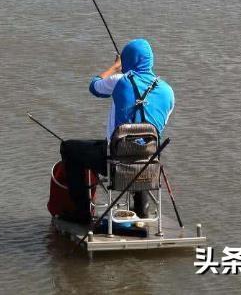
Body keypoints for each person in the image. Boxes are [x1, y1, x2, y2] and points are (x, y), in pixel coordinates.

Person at [58, 38, 175, 224]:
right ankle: (141, 210)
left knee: (68, 148)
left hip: (114, 164)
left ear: (128, 59)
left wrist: (115, 66)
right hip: (148, 166)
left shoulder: (119, 80)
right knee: (141, 146)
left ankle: (82, 213)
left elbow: (94, 86)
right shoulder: (168, 91)